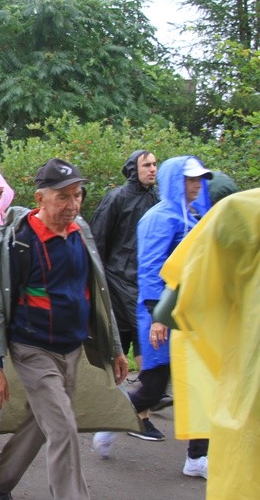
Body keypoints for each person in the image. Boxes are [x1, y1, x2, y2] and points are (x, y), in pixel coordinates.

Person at [0, 158, 130, 500]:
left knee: (43, 423)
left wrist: (114, 347)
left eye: (77, 195)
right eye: (63, 197)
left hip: (72, 349)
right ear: (40, 199)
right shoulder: (19, 243)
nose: (73, 205)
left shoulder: (80, 233)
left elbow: (98, 293)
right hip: (32, 350)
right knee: (64, 428)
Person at [160, 188, 258, 500]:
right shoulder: (241, 213)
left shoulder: (240, 212)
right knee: (148, 387)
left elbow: (184, 290)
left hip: (247, 382)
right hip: (248, 380)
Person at [128, 155, 212, 477]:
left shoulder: (198, 214)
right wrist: (156, 316)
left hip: (193, 319)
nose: (195, 184)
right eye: (189, 178)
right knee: (152, 388)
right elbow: (150, 268)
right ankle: (110, 423)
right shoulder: (158, 217)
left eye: (199, 178)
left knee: (201, 385)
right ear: (175, 179)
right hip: (162, 315)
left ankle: (196, 458)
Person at [88, 150, 159, 455]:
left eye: (156, 164)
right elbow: (97, 241)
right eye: (147, 164)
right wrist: (95, 285)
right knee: (117, 352)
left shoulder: (157, 201)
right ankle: (120, 415)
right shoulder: (116, 198)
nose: (153, 169)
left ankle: (139, 414)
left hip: (144, 285)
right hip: (115, 283)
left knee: (145, 350)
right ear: (134, 168)